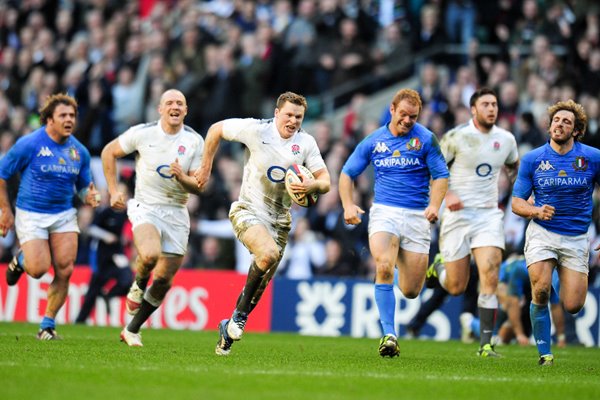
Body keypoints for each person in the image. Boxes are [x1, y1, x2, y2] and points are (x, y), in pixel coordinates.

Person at [194, 91, 331, 356]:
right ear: (277, 113)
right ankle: (239, 318)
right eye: (289, 115)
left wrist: (312, 183)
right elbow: (215, 130)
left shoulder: (306, 143)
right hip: (248, 210)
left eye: (299, 117)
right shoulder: (256, 130)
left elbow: (325, 181)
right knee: (267, 253)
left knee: (260, 284)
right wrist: (205, 167)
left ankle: (231, 325)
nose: (293, 121)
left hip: (280, 222)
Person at [338, 88, 449, 357]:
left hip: (416, 216)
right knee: (384, 265)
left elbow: (441, 176)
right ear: (392, 109)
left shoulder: (426, 139)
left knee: (411, 291)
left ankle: (430, 270)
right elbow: (346, 173)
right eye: (403, 115)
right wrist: (348, 204)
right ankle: (389, 334)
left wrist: (435, 205)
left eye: (413, 116)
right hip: (384, 211)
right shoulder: (374, 140)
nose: (408, 121)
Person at [101, 89, 204, 347]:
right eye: (169, 102)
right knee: (149, 255)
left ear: (186, 110)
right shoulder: (143, 133)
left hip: (177, 212)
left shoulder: (194, 141)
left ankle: (132, 329)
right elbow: (108, 152)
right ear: (160, 109)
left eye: (180, 103)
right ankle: (137, 284)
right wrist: (113, 190)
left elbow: (198, 185)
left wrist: (183, 178)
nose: (175, 106)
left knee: (163, 282)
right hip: (146, 206)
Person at [426, 87, 519, 357]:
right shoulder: (455, 137)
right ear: (473, 110)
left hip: (488, 214)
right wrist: (449, 193)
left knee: (490, 275)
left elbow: (514, 168)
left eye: (495, 104)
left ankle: (486, 344)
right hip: (457, 215)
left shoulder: (507, 139)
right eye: (486, 104)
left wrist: (524, 192)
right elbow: (434, 171)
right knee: (456, 286)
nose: (492, 108)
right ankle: (439, 266)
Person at [0, 93, 100, 340]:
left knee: (65, 269)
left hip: (63, 214)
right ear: (49, 119)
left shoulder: (80, 152)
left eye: (72, 115)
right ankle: (21, 260)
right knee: (38, 268)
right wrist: (5, 210)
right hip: (31, 213)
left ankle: (47, 325)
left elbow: (83, 185)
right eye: (63, 115)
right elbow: (2, 174)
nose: (69, 120)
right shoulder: (30, 144)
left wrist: (90, 196)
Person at [512, 99, 600, 366]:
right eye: (556, 120)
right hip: (542, 233)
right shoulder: (533, 159)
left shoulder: (593, 158)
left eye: (566, 122)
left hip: (576, 237)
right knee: (539, 290)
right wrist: (536, 211)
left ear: (576, 131)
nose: (559, 125)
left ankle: (563, 277)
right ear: (549, 125)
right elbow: (516, 202)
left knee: (573, 305)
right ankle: (545, 354)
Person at [75, 183, 133, 324]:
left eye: (124, 193)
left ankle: (108, 295)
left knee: (128, 282)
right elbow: (91, 228)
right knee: (92, 292)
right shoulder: (105, 212)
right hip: (103, 258)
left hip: (118, 256)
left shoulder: (127, 213)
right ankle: (80, 321)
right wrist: (106, 236)